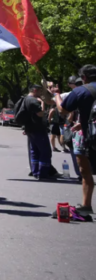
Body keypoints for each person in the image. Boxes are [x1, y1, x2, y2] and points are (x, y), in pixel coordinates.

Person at [56, 64, 96, 214]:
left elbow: (63, 109)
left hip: (87, 136)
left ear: (84, 77)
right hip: (87, 128)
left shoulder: (80, 91)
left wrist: (56, 95)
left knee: (85, 172)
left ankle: (86, 205)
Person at [20, 84, 58, 179]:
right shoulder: (34, 100)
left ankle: (35, 171)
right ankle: (43, 173)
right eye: (41, 91)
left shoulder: (25, 99)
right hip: (38, 129)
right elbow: (40, 114)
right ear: (35, 90)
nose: (42, 93)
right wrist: (42, 103)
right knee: (45, 152)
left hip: (31, 129)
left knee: (34, 151)